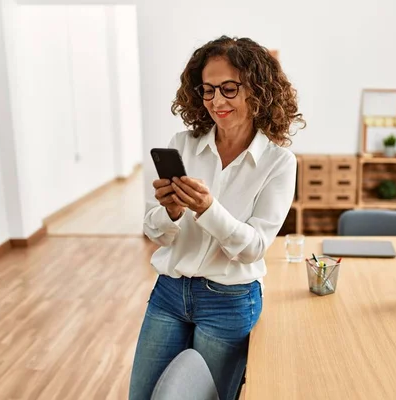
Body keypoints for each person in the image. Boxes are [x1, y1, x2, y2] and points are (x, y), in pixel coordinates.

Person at [129, 36, 305, 400]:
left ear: (259, 91)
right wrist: (171, 213)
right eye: (208, 90)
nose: (217, 101)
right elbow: (154, 231)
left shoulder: (278, 163)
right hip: (169, 293)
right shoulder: (183, 144)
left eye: (228, 88)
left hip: (230, 300)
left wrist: (208, 209)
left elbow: (254, 248)